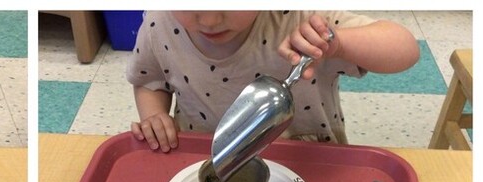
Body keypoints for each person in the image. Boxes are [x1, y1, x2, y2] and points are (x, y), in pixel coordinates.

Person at [128, 11, 419, 152]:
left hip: (309, 164)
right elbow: (149, 80)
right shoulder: (159, 25)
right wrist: (154, 116)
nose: (210, 18)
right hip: (204, 161)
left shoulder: (302, 17)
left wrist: (339, 44)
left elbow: (406, 48)